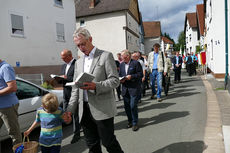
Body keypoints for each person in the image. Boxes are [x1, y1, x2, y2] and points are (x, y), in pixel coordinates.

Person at [65, 27, 124, 153]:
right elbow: (75, 88)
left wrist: (96, 86)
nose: (81, 48)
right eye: (78, 46)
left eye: (83, 44)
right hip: (84, 110)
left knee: (109, 143)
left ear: (90, 39)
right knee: (92, 145)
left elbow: (115, 80)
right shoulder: (78, 63)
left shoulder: (105, 56)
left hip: (102, 108)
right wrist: (70, 110)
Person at [60, 49, 81, 144]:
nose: (62, 59)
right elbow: (64, 78)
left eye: (64, 57)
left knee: (75, 114)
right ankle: (75, 128)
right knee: (66, 112)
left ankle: (76, 134)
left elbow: (78, 78)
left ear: (69, 56)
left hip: (74, 93)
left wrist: (66, 78)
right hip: (65, 93)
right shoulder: (63, 65)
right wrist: (59, 78)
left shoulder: (77, 64)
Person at [0, 59, 22, 146]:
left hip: (7, 106)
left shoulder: (5, 67)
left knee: (14, 134)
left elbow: (13, 87)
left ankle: (19, 151)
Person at [121, 50, 143, 131]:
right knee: (127, 107)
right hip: (125, 88)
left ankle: (135, 123)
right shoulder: (122, 64)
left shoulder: (135, 63)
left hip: (134, 88)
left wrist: (132, 76)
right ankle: (130, 121)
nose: (122, 58)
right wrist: (121, 79)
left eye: (123, 57)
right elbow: (120, 75)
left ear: (127, 56)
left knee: (133, 105)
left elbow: (140, 74)